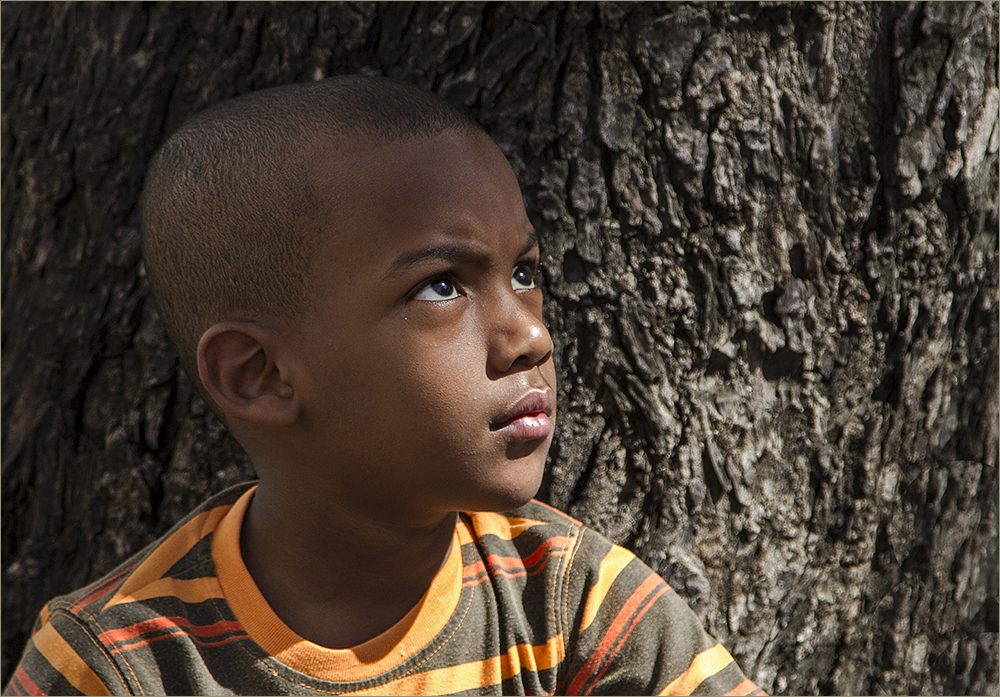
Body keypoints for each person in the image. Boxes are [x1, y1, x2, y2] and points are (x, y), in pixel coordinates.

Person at [4, 76, 762, 696]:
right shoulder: (119, 665)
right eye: (441, 286)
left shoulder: (574, 609)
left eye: (524, 273)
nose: (531, 335)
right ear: (259, 374)